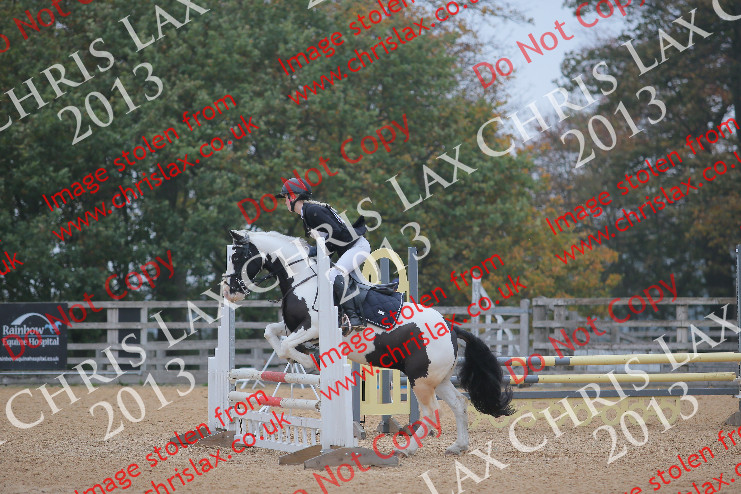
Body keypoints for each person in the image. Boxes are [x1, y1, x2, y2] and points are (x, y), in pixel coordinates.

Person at [277, 177, 370, 330]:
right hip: (349, 249)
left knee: (333, 274)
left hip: (357, 247)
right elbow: (329, 240)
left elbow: (337, 233)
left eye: (286, 198)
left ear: (293, 197)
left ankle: (354, 318)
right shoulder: (307, 214)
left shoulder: (312, 211)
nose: (285, 202)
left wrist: (318, 250)